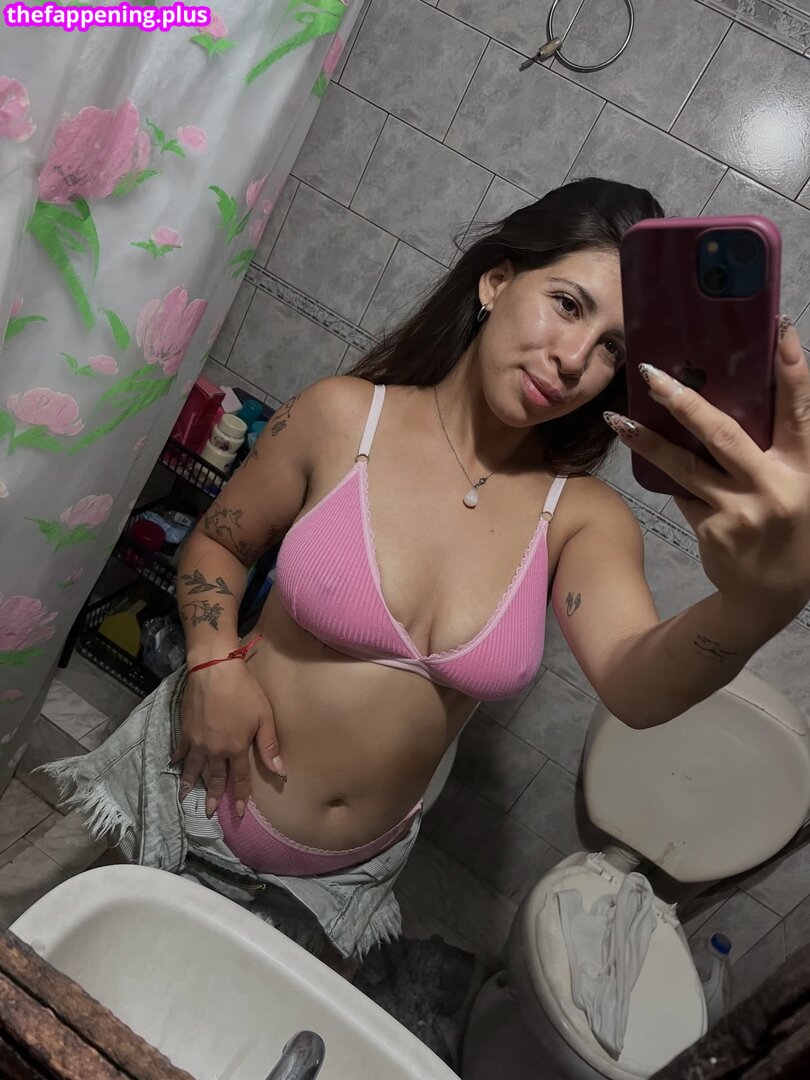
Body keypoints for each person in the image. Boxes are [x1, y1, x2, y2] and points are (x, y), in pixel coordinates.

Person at [43, 177, 810, 962]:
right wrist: (211, 661)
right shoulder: (341, 417)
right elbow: (219, 544)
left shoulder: (582, 519)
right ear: (496, 281)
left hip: (341, 885)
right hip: (192, 793)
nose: (575, 358)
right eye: (567, 304)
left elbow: (637, 690)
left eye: (614, 346)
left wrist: (764, 597)